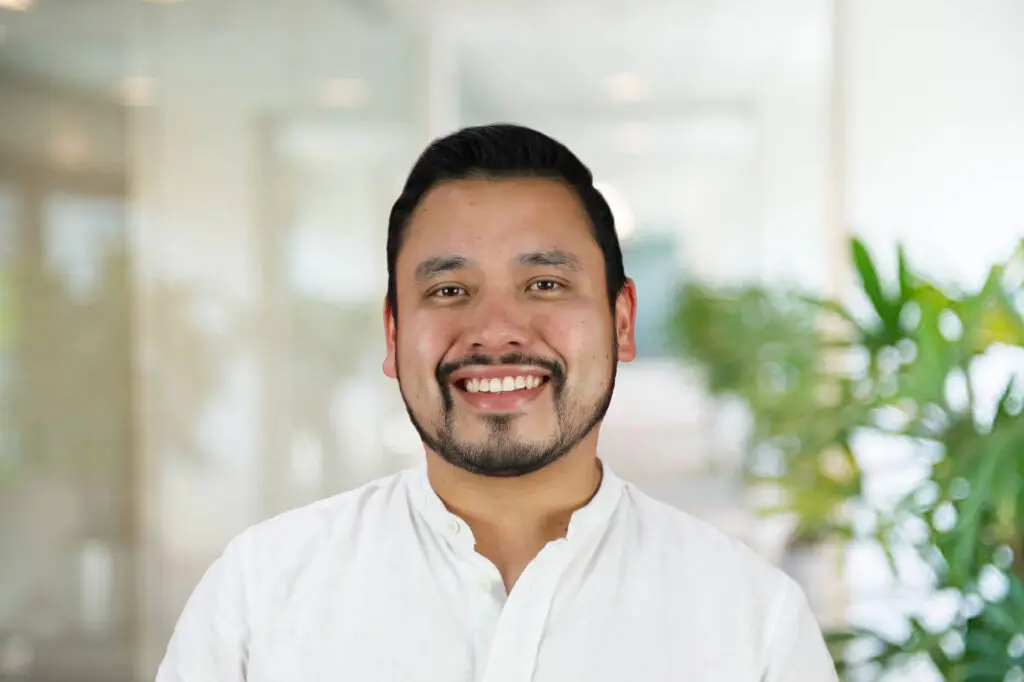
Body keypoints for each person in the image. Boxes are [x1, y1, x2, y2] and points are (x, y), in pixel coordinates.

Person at [155, 124, 839, 681]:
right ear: (393, 335)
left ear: (622, 321)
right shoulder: (260, 593)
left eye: (544, 284)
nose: (495, 330)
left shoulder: (752, 620)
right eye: (449, 291)